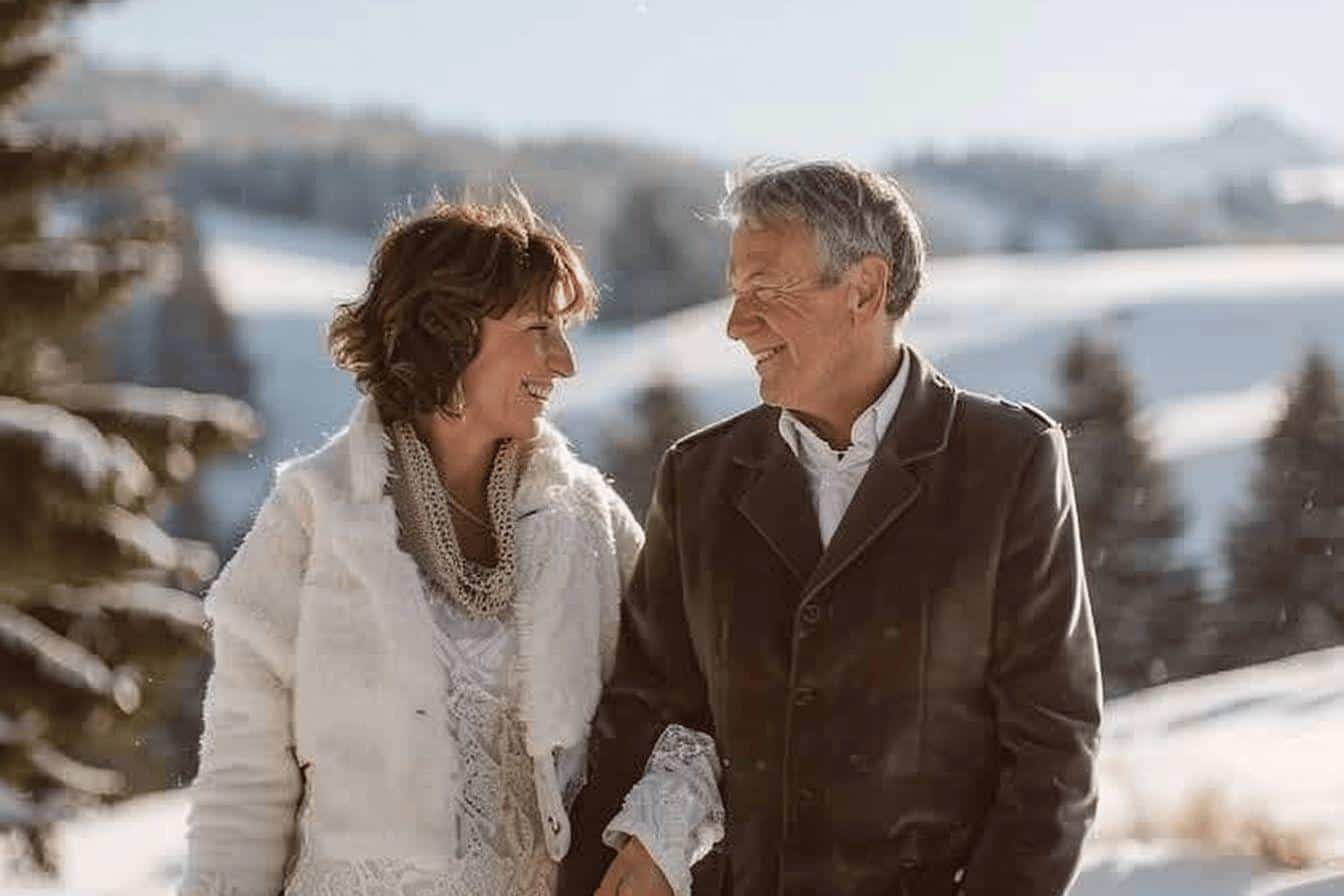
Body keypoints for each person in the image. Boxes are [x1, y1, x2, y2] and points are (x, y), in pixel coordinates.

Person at [560, 161, 1102, 896]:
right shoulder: (701, 477)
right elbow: (646, 717)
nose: (735, 323)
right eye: (735, 292)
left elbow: (1052, 752)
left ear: (865, 290)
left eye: (766, 291)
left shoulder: (1009, 462)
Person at [179, 193, 642, 896]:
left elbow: (674, 710)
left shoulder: (590, 520)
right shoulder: (314, 516)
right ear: (449, 330)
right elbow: (243, 782)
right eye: (539, 327)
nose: (565, 362)